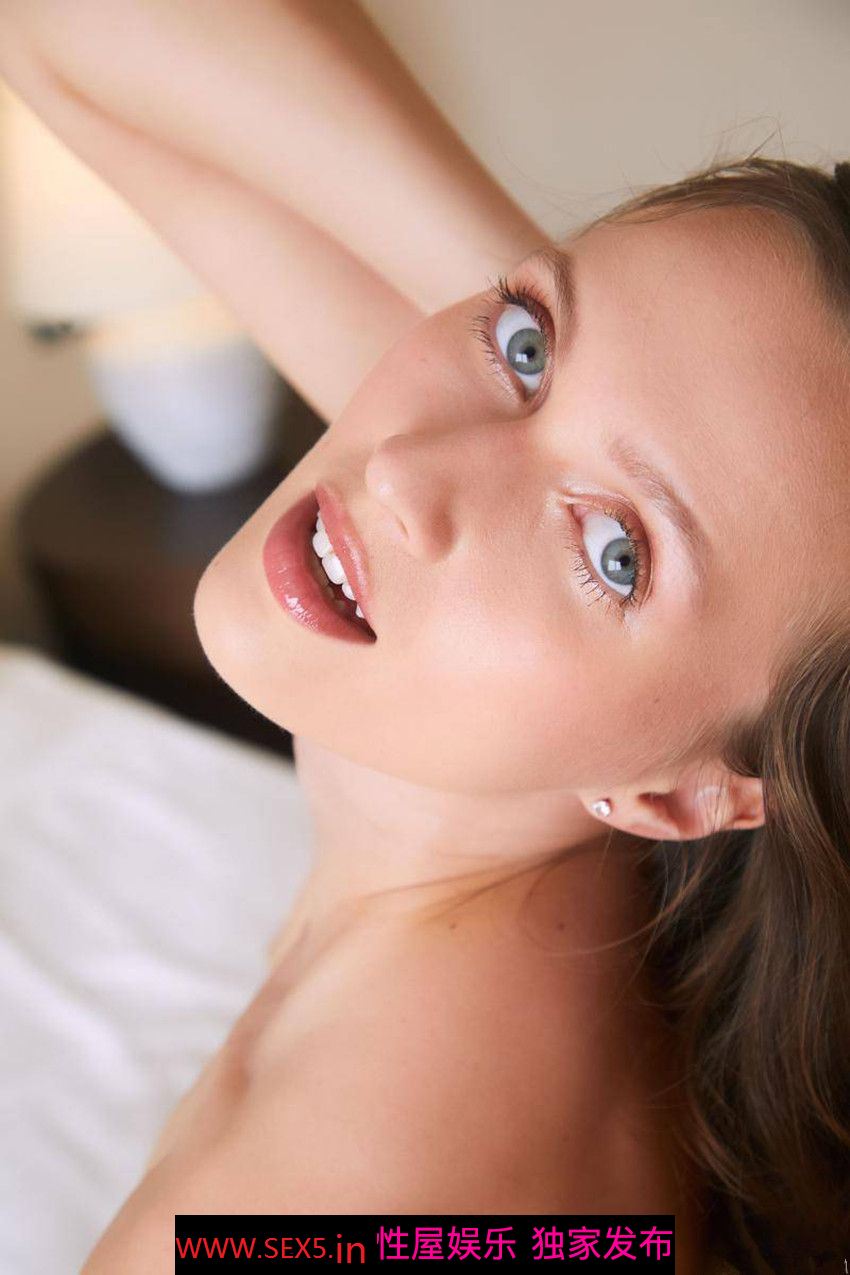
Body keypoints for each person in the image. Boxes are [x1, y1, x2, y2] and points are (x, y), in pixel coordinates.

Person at [2, 4, 848, 1272]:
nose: (404, 472)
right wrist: (546, 309)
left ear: (685, 793)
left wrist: (554, 326)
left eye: (617, 553)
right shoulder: (488, 736)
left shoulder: (372, 1202)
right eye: (528, 345)